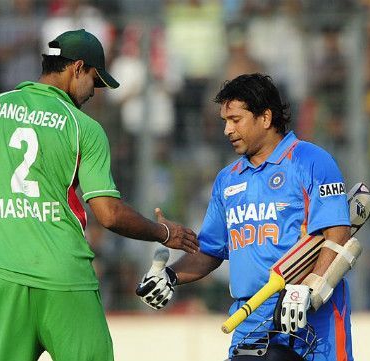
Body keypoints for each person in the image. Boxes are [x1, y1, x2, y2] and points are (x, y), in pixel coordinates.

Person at [0, 29, 198, 361]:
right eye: (95, 81)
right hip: (64, 277)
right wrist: (164, 232)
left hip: (0, 276)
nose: (93, 93)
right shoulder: (82, 126)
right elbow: (109, 214)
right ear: (78, 68)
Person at [137, 73, 355, 361]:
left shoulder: (310, 160)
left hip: (313, 319)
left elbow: (338, 236)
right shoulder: (227, 179)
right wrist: (171, 276)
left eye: (236, 120)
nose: (227, 130)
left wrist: (308, 288)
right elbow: (211, 251)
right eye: (225, 121)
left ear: (265, 118)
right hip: (251, 322)